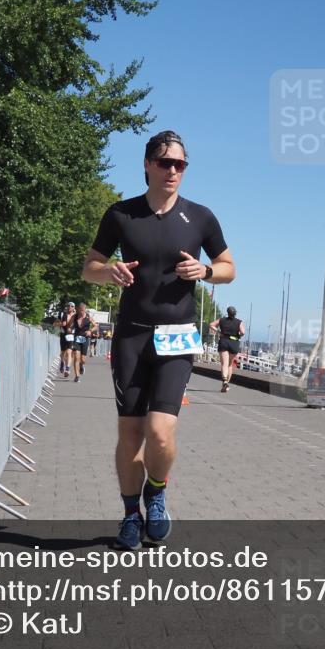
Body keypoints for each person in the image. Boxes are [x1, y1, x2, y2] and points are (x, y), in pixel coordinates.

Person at [82, 130, 235, 550]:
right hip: (131, 335)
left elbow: (228, 266)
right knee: (130, 433)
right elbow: (88, 267)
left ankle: (157, 490)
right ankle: (131, 514)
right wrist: (107, 270)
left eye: (180, 165)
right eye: (165, 163)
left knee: (161, 432)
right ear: (148, 164)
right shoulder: (121, 214)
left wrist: (205, 272)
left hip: (177, 337)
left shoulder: (200, 217)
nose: (173, 171)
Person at [209, 307, 245, 392]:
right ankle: (226, 384)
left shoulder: (222, 320)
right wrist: (239, 335)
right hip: (234, 343)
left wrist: (218, 332)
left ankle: (225, 381)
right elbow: (243, 332)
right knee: (229, 365)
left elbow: (211, 324)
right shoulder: (239, 322)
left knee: (224, 364)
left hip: (224, 341)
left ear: (227, 313)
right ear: (235, 313)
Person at [68, 303, 96, 383]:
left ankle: (81, 365)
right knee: (76, 357)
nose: (82, 312)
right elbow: (70, 325)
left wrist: (90, 331)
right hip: (77, 338)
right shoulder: (75, 316)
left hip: (85, 338)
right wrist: (70, 328)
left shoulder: (88, 317)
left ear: (85, 310)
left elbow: (96, 325)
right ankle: (77, 376)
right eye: (80, 310)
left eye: (83, 310)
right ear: (78, 309)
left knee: (83, 359)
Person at [54, 301, 76, 376]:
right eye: (68, 306)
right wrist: (61, 324)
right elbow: (57, 323)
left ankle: (67, 369)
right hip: (63, 334)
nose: (70, 307)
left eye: (71, 306)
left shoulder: (76, 316)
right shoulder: (63, 314)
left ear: (74, 308)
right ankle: (62, 363)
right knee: (63, 352)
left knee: (69, 352)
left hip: (71, 335)